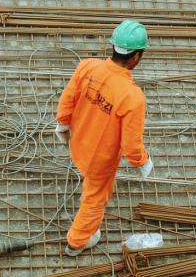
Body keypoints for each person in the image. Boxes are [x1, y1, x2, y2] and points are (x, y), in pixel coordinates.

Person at [55, 20, 154, 256]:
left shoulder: (87, 67)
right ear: (136, 58)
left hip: (78, 143)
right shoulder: (133, 97)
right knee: (95, 198)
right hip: (100, 160)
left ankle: (80, 234)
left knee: (89, 184)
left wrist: (62, 124)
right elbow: (131, 145)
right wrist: (143, 162)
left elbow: (67, 98)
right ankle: (77, 241)